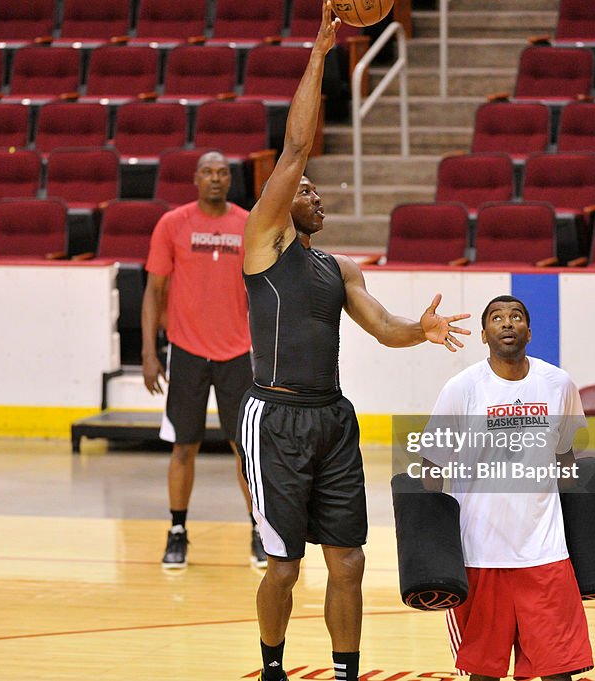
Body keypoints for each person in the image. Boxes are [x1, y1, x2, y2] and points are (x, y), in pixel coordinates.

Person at [237, 4, 471, 680]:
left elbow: (381, 324)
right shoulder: (263, 241)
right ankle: (274, 666)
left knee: (350, 559)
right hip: (274, 414)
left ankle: (345, 670)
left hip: (332, 418)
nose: (313, 191)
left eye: (313, 190)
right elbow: (296, 148)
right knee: (284, 562)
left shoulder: (339, 268)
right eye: (301, 188)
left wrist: (419, 332)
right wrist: (320, 49)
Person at [421, 295, 593, 681]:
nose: (507, 323)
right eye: (497, 318)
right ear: (484, 335)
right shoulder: (461, 389)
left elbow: (566, 458)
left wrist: (581, 537)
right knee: (484, 674)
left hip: (545, 553)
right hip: (480, 554)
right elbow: (431, 466)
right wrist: (433, 547)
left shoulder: (558, 385)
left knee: (559, 672)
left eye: (516, 317)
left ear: (529, 331)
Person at [142, 150, 265, 570]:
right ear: (196, 179)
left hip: (236, 353)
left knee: (245, 450)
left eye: (223, 172)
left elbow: (265, 291)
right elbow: (153, 291)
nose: (215, 178)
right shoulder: (173, 224)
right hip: (187, 351)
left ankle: (259, 531)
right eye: (208, 172)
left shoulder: (247, 223)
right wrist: (148, 352)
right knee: (183, 446)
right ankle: (177, 531)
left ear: (230, 180)